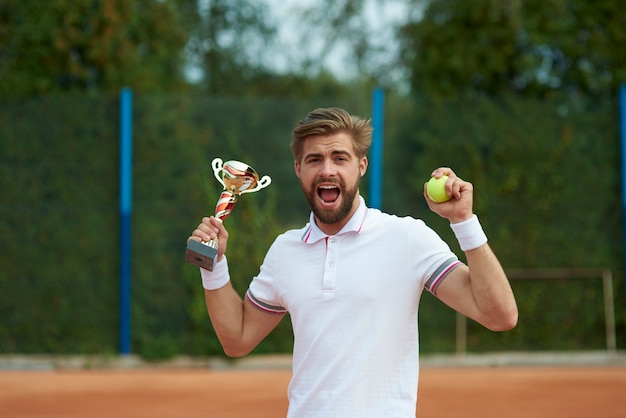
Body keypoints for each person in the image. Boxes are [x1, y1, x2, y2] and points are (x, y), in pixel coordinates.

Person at [188, 107, 518, 417]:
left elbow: (499, 315)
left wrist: (464, 222)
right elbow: (237, 340)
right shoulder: (284, 251)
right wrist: (213, 265)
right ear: (298, 170)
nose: (327, 169)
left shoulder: (406, 237)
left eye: (339, 158)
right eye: (314, 159)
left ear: (361, 166)